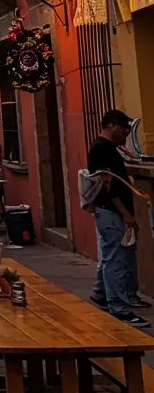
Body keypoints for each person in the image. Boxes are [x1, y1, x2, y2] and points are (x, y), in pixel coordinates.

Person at [88, 109, 150, 327]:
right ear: (112, 125)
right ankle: (119, 309)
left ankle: (100, 294)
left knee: (110, 257)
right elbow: (109, 186)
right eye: (124, 129)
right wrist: (125, 214)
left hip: (109, 211)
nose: (126, 133)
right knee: (116, 260)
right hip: (112, 212)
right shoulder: (102, 149)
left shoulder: (108, 148)